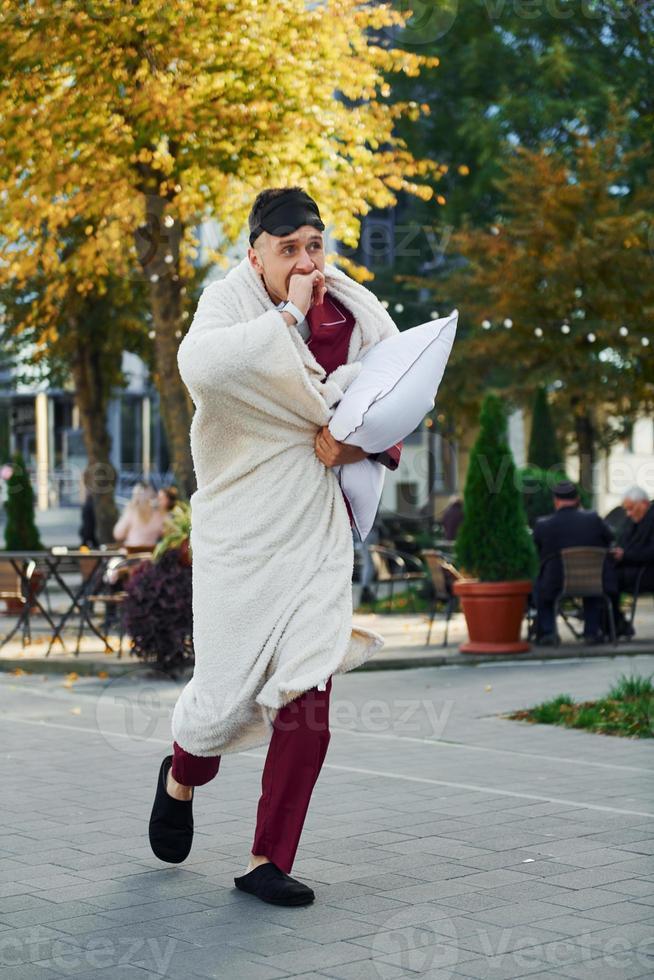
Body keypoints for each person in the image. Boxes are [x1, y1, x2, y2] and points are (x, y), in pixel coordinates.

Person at [148, 186, 404, 908]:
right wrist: (287, 316)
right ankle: (180, 775)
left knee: (309, 695)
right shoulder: (227, 304)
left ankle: (267, 859)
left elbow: (395, 393)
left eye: (314, 245)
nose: (305, 260)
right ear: (255, 253)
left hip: (316, 527)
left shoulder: (355, 311)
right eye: (288, 248)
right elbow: (204, 369)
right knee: (221, 702)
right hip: (241, 529)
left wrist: (350, 439)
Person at [532, 479, 615, 645]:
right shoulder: (593, 519)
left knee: (539, 585)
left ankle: (548, 632)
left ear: (555, 501)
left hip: (555, 584)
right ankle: (592, 631)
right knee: (591, 588)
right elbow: (610, 539)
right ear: (577, 499)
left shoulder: (543, 524)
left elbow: (537, 551)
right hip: (593, 582)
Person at [609, 486, 654, 638]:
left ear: (644, 504)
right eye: (626, 509)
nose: (628, 514)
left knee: (608, 580)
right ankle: (616, 624)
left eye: (631, 509)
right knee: (604, 578)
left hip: (646, 571)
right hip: (631, 568)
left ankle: (615, 625)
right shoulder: (631, 521)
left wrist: (625, 555)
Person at [112, 482, 165, 550]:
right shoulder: (158, 515)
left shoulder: (131, 512)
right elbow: (165, 532)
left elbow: (118, 535)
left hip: (132, 553)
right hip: (151, 553)